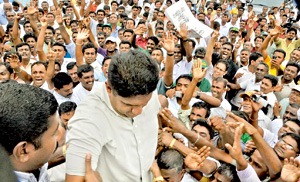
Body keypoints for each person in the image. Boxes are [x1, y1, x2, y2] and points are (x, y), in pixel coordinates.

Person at [66, 50, 160, 181]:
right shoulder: (89, 117)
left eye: (144, 105)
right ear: (109, 88)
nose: (138, 112)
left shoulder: (148, 90)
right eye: (128, 105)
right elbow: (75, 178)